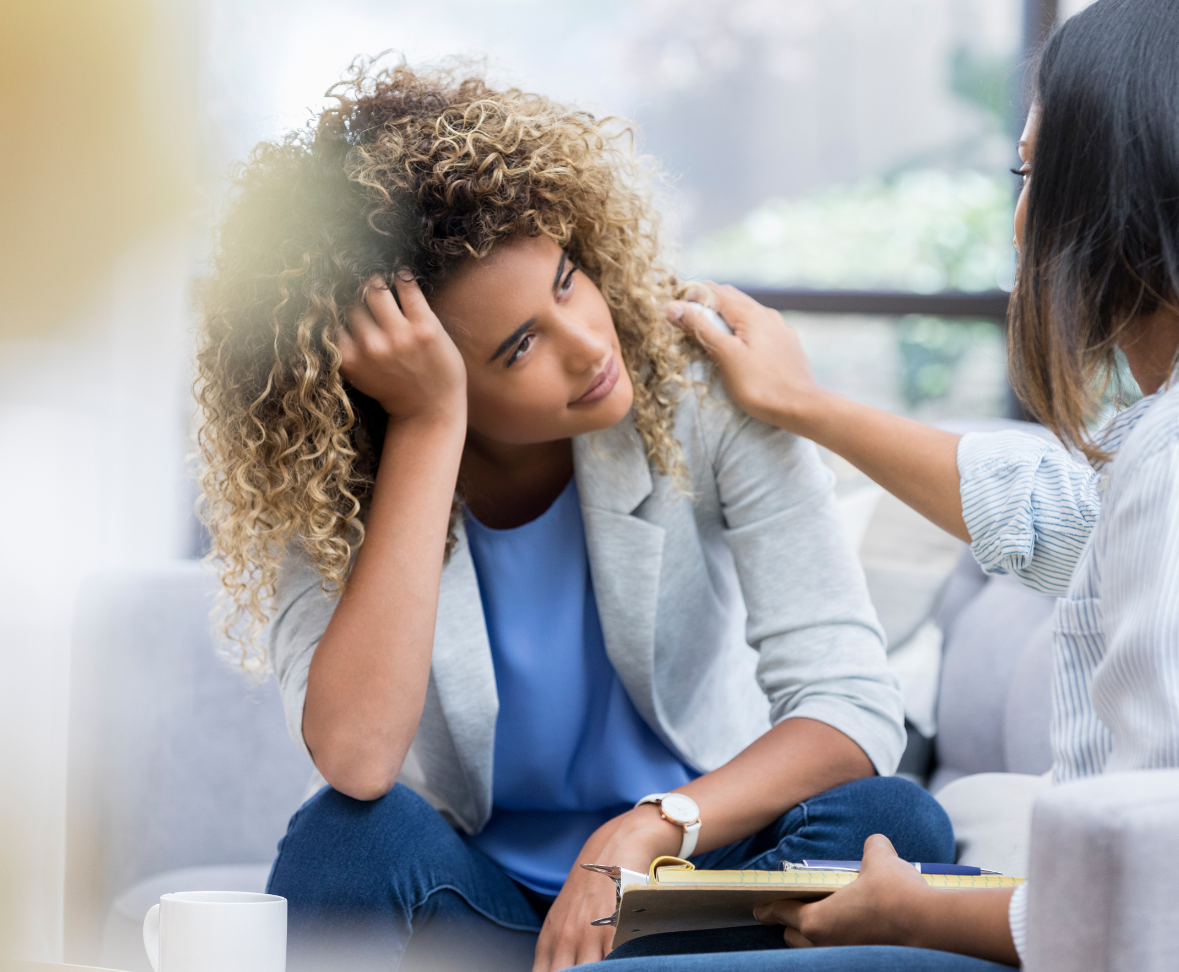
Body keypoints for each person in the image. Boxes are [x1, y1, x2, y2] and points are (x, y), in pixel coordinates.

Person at [631, 0, 1179, 968]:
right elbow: (1053, 516)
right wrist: (805, 407)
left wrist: (911, 914)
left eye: (1032, 172)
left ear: (1129, 199)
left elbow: (1178, 886)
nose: (1021, 212)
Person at [194, 61, 953, 972]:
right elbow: (356, 761)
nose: (590, 343)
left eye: (566, 279)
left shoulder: (702, 390)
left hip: (693, 886)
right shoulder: (324, 479)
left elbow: (851, 704)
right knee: (344, 839)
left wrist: (648, 829)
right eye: (520, 347)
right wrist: (431, 426)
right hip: (483, 904)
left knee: (894, 822)